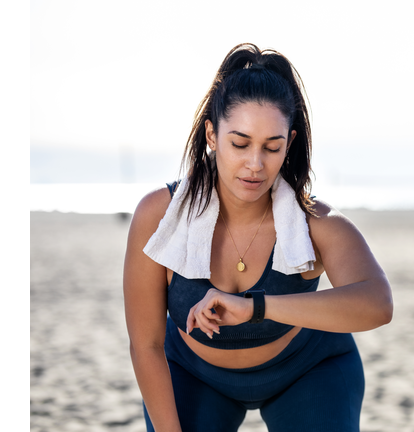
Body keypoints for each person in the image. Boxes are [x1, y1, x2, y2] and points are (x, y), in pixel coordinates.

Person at [123, 43, 393, 432]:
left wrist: (257, 307)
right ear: (212, 135)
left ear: (290, 143)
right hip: (193, 374)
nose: (255, 164)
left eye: (272, 147)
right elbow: (145, 344)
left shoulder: (316, 223)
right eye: (240, 143)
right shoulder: (158, 216)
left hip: (309, 371)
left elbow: (378, 304)